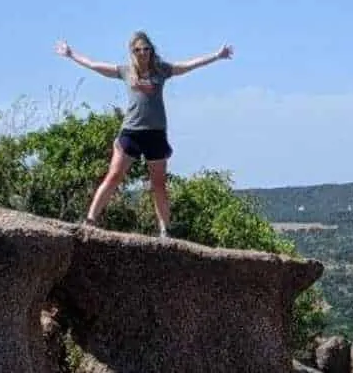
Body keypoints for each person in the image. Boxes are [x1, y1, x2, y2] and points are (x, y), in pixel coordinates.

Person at [54, 31, 233, 235]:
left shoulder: (161, 70)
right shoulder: (125, 71)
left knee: (158, 184)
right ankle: (91, 219)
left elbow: (188, 65)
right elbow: (95, 66)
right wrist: (71, 54)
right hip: (131, 132)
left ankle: (165, 230)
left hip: (155, 134)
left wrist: (216, 56)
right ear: (132, 52)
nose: (143, 53)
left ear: (151, 50)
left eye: (146, 49)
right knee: (114, 175)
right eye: (138, 50)